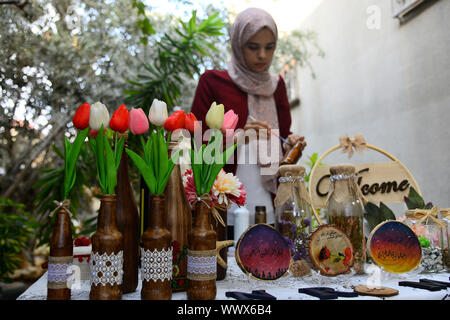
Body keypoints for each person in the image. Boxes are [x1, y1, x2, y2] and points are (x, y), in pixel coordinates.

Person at [190, 7, 306, 239]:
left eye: (269, 47)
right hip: (223, 207)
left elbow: (283, 135)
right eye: (253, 47)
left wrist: (291, 143)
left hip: (270, 204)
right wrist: (239, 136)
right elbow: (194, 144)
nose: (263, 55)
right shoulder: (213, 82)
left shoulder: (277, 85)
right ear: (237, 45)